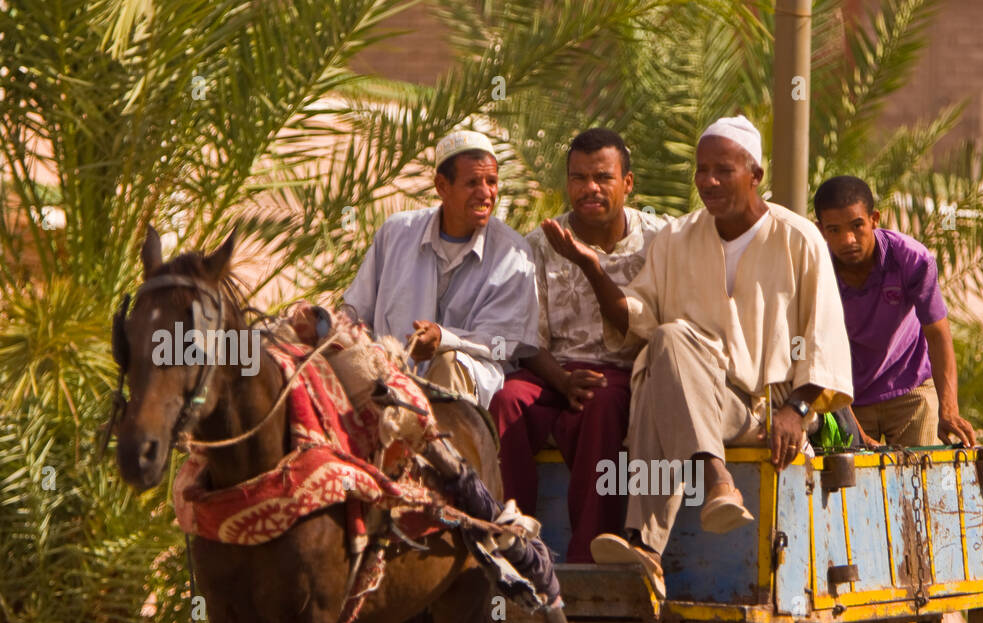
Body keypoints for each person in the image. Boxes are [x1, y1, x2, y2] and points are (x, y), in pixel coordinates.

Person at [542, 115, 853, 598]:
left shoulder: (799, 239)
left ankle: (648, 535)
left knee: (663, 360)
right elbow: (636, 318)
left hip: (761, 410)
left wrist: (796, 410)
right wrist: (592, 269)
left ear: (756, 175)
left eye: (722, 170)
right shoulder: (678, 237)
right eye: (701, 170)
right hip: (693, 397)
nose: (708, 181)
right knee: (665, 345)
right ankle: (700, 494)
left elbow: (825, 339)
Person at [490, 129, 666, 562]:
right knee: (505, 399)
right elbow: (527, 339)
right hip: (552, 372)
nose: (590, 188)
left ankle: (590, 556)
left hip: (625, 374)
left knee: (602, 405)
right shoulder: (539, 243)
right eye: (579, 177)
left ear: (627, 182)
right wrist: (563, 381)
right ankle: (511, 543)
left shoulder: (660, 241)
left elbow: (657, 328)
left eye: (603, 177)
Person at [343, 129, 538, 409]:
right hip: (388, 376)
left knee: (448, 363)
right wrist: (325, 325)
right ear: (442, 186)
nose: (486, 193)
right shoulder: (396, 233)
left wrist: (443, 339)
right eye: (472, 183)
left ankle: (441, 449)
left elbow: (501, 341)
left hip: (467, 384)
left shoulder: (514, 254)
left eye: (492, 182)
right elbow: (356, 312)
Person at [813, 175, 975, 447]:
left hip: (911, 389)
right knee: (854, 484)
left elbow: (938, 334)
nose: (848, 239)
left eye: (857, 226)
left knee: (921, 480)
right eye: (834, 230)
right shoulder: (815, 271)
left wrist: (949, 409)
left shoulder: (911, 259)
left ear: (874, 219)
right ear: (820, 230)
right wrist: (856, 431)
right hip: (849, 397)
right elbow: (819, 353)